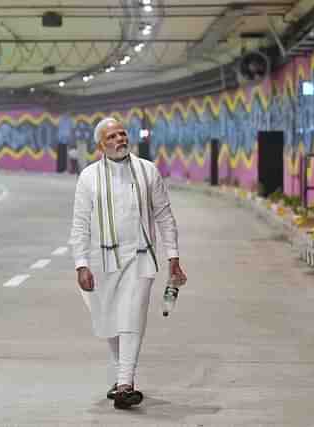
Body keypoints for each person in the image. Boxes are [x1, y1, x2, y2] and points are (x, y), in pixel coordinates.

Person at [68, 117, 187, 410]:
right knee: (108, 319)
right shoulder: (89, 177)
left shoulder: (148, 171)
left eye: (122, 134)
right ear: (101, 145)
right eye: (112, 137)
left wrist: (173, 256)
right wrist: (81, 263)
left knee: (132, 316)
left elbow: (164, 216)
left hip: (140, 257)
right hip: (101, 259)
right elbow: (80, 223)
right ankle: (121, 374)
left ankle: (125, 382)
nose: (120, 139)